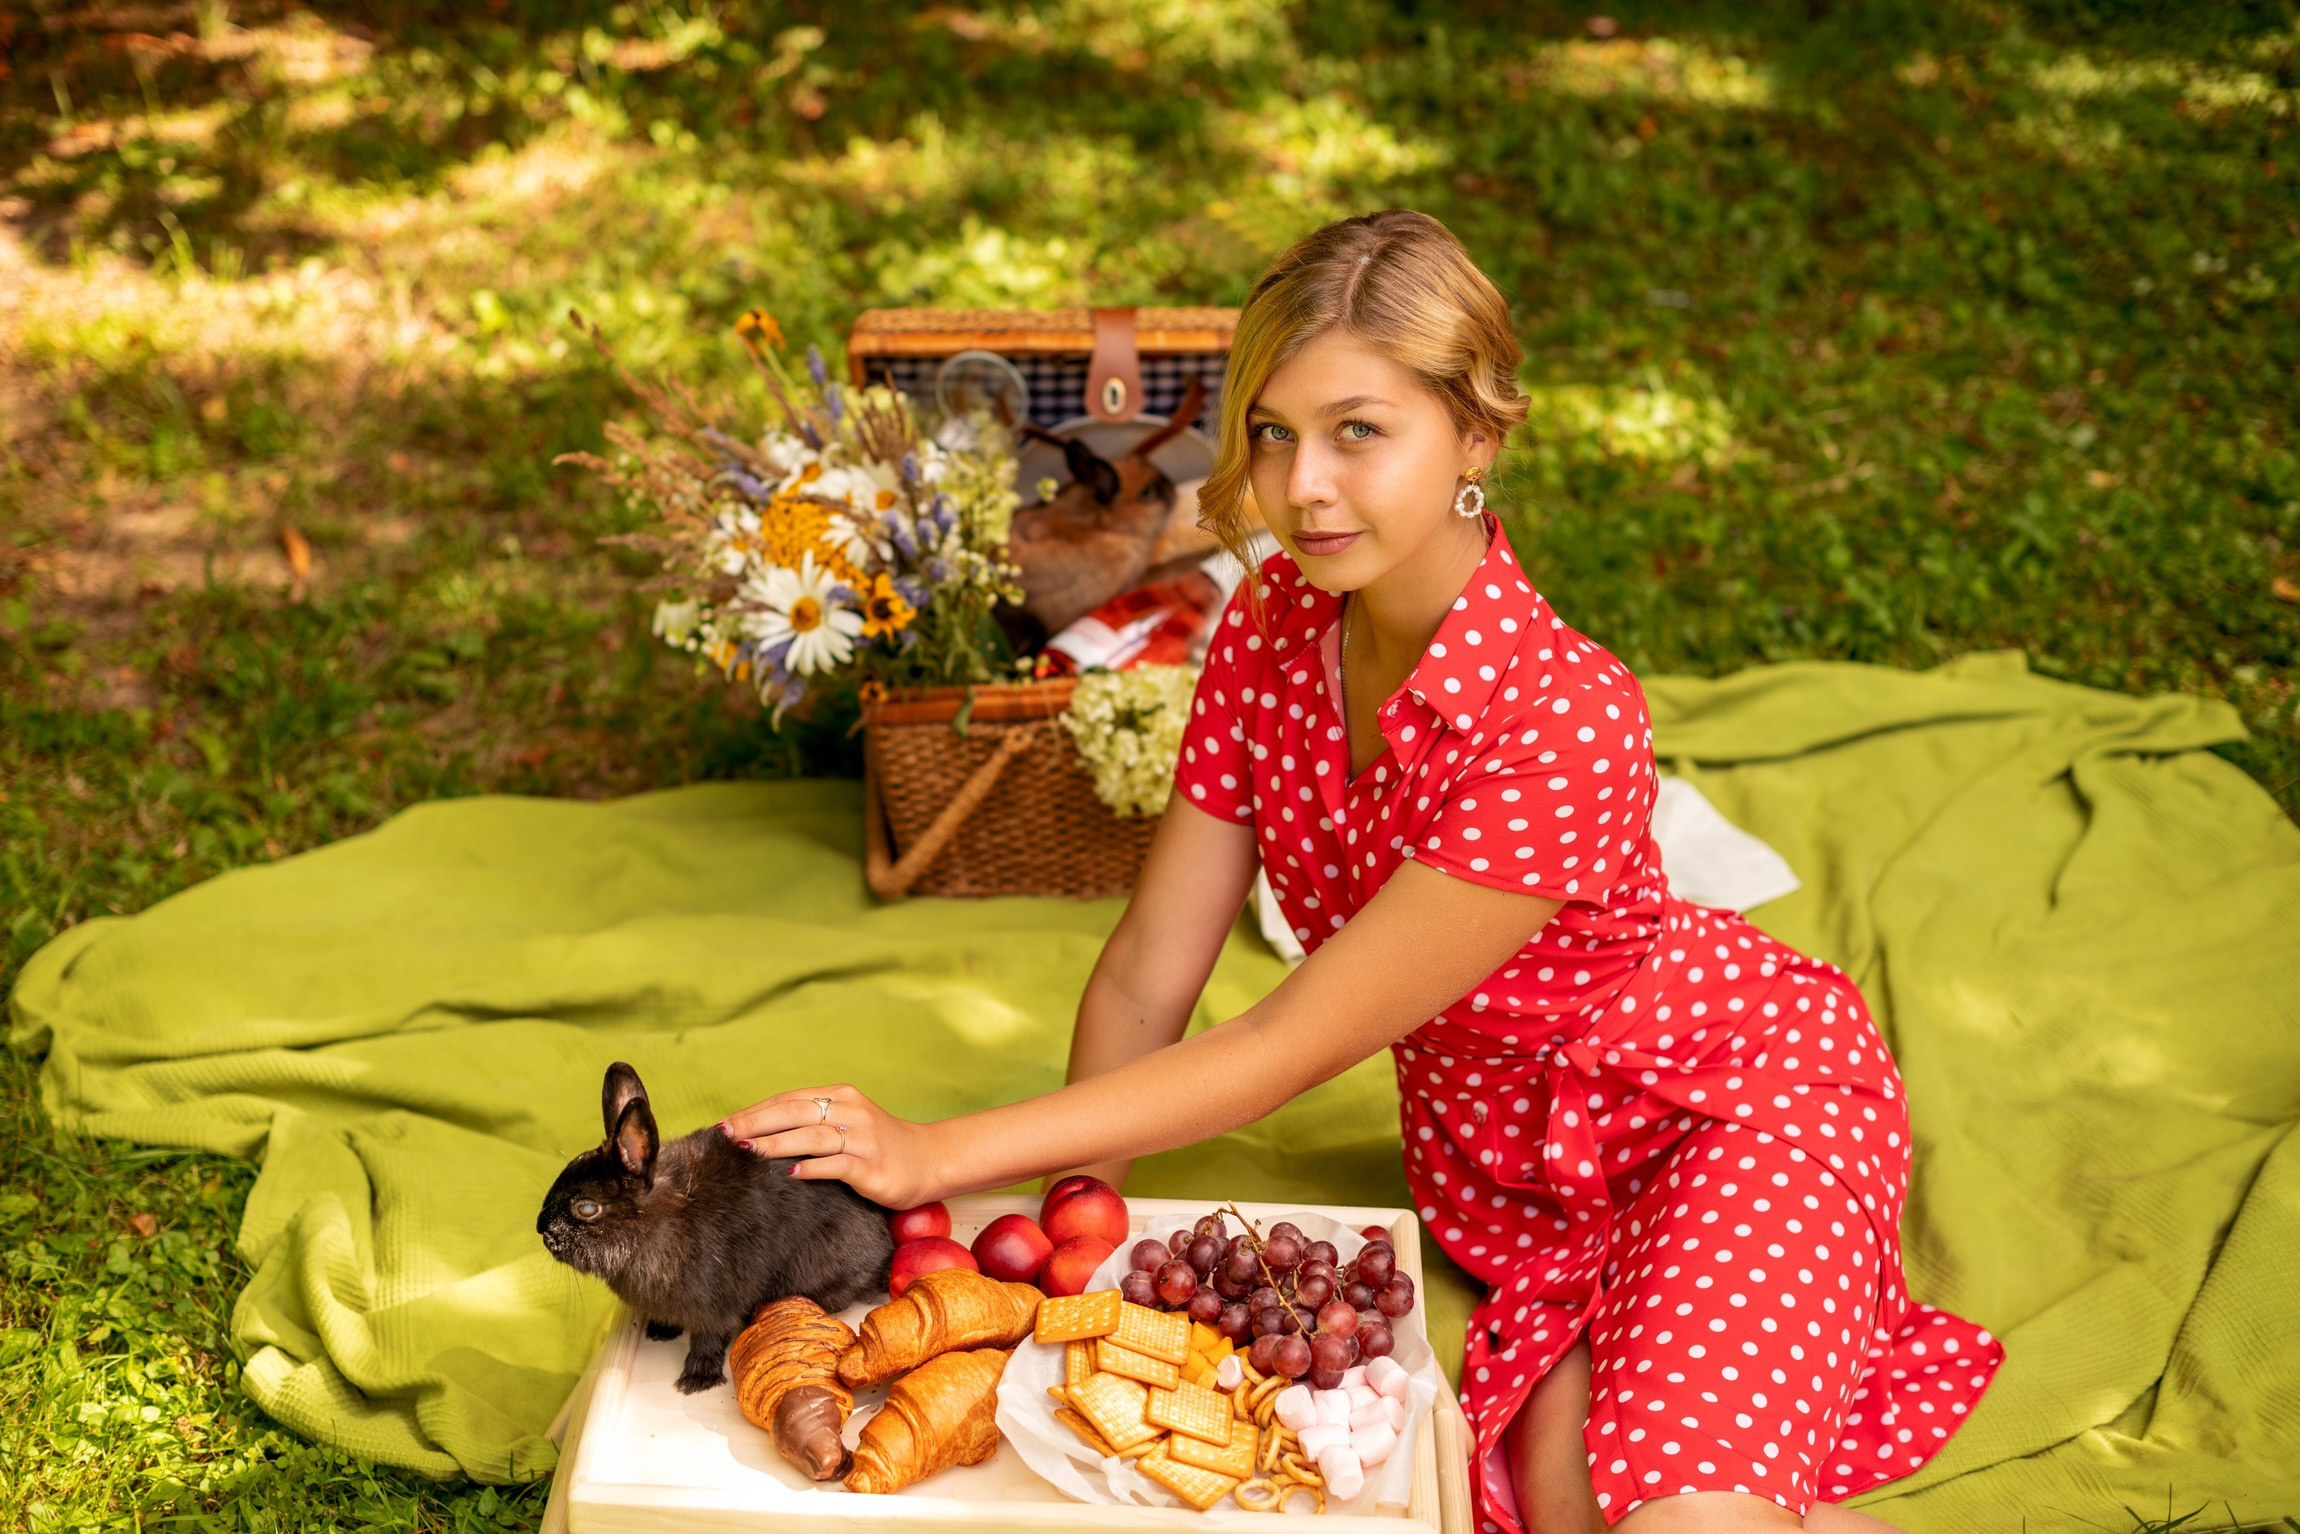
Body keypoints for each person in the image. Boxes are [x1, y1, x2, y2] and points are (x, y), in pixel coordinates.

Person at [719, 209, 2000, 1532]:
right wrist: (1067, 1249)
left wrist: (937, 1149)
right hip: (1516, 1195)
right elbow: (1154, 966)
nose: (1304, 486)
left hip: (1726, 1111)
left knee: (1685, 1518)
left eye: (1359, 431)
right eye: (1273, 433)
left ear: (1479, 437)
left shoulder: (1563, 720)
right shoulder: (1269, 637)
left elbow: (1280, 1044)